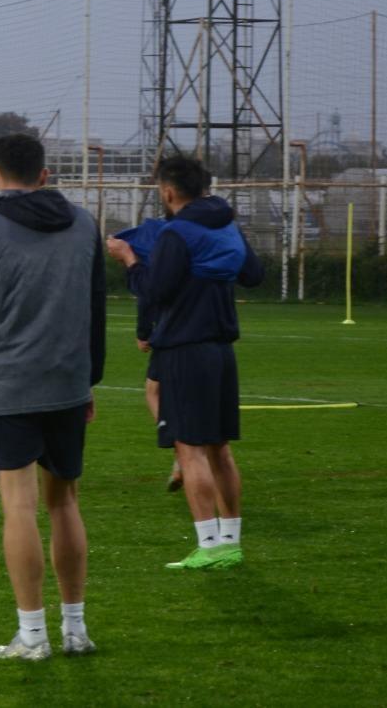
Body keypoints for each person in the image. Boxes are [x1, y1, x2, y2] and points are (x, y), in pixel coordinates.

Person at [0, 134, 105, 660]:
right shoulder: (85, 225)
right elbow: (95, 309)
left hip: (10, 385)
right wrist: (89, 381)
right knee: (65, 503)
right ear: (44, 173)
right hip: (66, 384)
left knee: (19, 508)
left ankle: (33, 635)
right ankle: (75, 629)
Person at [106, 156, 263, 571]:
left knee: (189, 450)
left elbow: (155, 291)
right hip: (221, 350)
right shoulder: (227, 225)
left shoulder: (177, 232)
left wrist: (128, 258)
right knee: (220, 449)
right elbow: (253, 273)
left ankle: (208, 546)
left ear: (168, 191)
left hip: (184, 349)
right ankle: (231, 541)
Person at [114, 216, 183, 491]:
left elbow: (147, 297)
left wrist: (143, 332)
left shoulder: (152, 257)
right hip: (205, 338)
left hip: (169, 335)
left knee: (154, 391)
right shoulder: (191, 245)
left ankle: (181, 451)